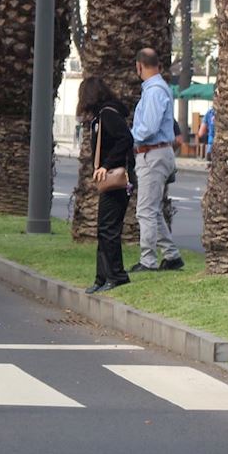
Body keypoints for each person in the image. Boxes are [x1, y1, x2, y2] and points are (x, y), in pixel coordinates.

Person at [130, 48, 183, 272]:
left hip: (152, 153)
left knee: (145, 211)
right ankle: (171, 255)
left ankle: (148, 260)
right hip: (159, 152)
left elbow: (148, 128)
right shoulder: (160, 88)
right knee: (153, 209)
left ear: (139, 66)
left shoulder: (153, 91)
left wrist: (129, 135)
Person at [80, 77, 133, 294]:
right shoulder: (103, 115)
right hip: (111, 180)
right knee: (104, 228)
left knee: (108, 229)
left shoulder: (108, 114)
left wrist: (107, 165)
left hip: (116, 179)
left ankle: (116, 275)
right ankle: (102, 277)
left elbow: (125, 139)